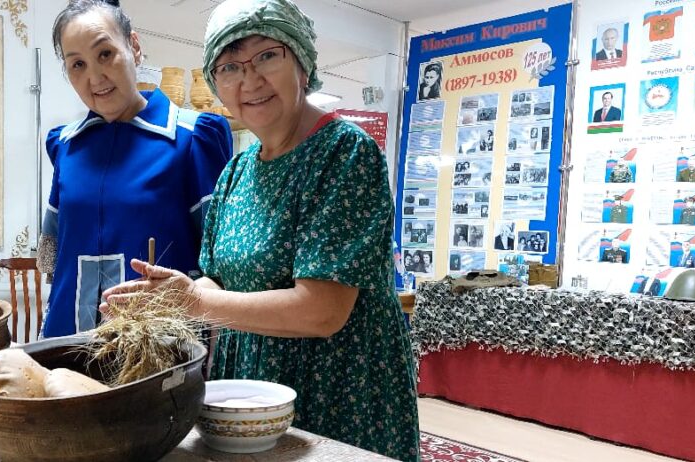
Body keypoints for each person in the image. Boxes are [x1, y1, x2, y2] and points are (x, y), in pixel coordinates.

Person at [102, 1, 419, 459]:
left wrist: (195, 302)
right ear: (217, 85)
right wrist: (168, 297)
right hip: (250, 392)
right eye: (229, 67)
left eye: (267, 56)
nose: (249, 81)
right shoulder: (236, 171)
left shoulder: (344, 153)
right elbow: (218, 280)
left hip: (336, 389)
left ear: (302, 64)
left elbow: (323, 310)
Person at [38, 0, 232, 338]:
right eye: (77, 64)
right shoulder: (65, 145)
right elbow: (54, 258)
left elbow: (222, 267)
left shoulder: (191, 138)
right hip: (68, 343)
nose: (94, 77)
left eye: (105, 54)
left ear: (134, 47)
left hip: (157, 349)